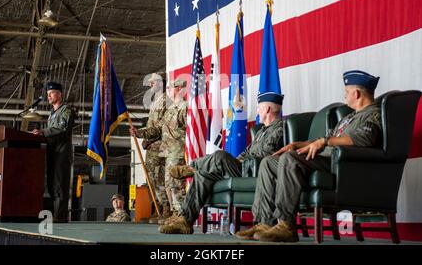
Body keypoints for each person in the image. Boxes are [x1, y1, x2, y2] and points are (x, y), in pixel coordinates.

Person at [235, 70, 382, 242]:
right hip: (324, 158)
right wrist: (297, 144)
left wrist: (325, 142)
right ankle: (265, 222)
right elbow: (323, 139)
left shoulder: (372, 114)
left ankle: (286, 225)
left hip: (339, 163)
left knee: (290, 159)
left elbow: (363, 139)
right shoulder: (349, 117)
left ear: (356, 94)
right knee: (269, 162)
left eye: (347, 92)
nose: (345, 95)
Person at [158, 92, 285, 234]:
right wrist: (236, 162)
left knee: (220, 156)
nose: (257, 110)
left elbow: (265, 156)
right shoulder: (261, 131)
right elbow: (245, 153)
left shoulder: (280, 129)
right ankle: (185, 220)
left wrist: (236, 162)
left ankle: (191, 167)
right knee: (203, 175)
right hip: (244, 169)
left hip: (256, 173)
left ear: (267, 109)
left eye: (259, 107)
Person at [130, 79, 188, 222]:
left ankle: (180, 215)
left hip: (178, 151)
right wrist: (140, 133)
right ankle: (175, 213)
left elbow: (191, 131)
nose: (170, 91)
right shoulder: (171, 110)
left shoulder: (184, 107)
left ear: (179, 88)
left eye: (172, 88)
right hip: (168, 152)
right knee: (169, 183)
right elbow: (158, 128)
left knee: (175, 183)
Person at [32, 82, 75, 223]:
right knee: (51, 186)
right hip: (52, 153)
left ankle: (60, 216)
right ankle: (55, 215)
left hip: (61, 154)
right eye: (48, 94)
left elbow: (61, 129)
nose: (48, 96)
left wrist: (43, 132)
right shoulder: (52, 114)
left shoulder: (66, 111)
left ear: (59, 94)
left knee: (59, 186)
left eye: (51, 93)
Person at [138, 72, 171, 224]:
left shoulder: (166, 101)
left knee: (158, 178)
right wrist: (146, 138)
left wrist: (141, 133)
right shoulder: (156, 101)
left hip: (160, 146)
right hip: (152, 146)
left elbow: (160, 128)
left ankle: (166, 210)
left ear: (160, 83)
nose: (150, 84)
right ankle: (157, 208)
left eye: (153, 82)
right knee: (151, 178)